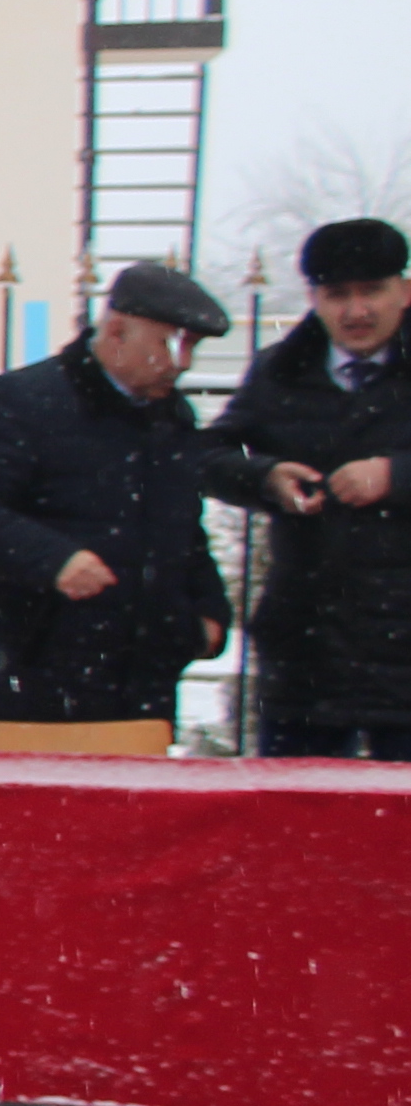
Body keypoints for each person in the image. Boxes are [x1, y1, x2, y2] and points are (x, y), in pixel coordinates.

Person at [0, 259, 234, 733]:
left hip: (139, 688)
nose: (183, 362)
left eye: (192, 346)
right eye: (171, 344)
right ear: (116, 333)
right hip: (32, 679)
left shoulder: (172, 419)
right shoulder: (26, 400)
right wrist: (54, 561)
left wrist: (206, 613)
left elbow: (181, 530)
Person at [208, 216, 411, 758]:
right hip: (309, 644)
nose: (356, 311)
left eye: (372, 291)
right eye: (337, 294)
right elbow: (208, 455)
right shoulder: (281, 372)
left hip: (403, 643)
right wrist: (266, 478)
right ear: (314, 298)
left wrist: (396, 475)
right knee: (297, 823)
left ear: (405, 291)